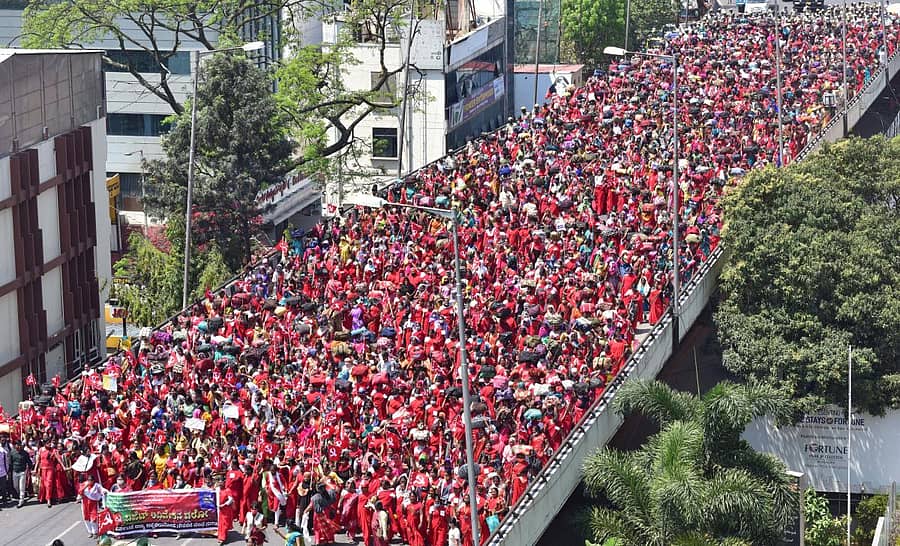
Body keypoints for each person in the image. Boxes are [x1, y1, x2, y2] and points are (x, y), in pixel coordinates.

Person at [77, 473, 107, 538]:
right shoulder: (84, 484)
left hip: (93, 504)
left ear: (93, 480)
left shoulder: (97, 486)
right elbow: (80, 491)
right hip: (85, 504)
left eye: (91, 480)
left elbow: (102, 490)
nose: (89, 481)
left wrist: (104, 492)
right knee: (86, 518)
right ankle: (90, 532)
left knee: (93, 518)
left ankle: (95, 532)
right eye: (88, 480)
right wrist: (86, 486)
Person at [10, 439, 31, 508]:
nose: (18, 446)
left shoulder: (25, 453)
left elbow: (29, 462)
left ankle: (21, 500)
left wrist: (31, 469)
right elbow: (10, 463)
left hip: (22, 471)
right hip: (15, 471)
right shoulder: (12, 452)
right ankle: (21, 495)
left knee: (21, 486)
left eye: (19, 445)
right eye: (16, 445)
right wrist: (9, 471)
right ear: (14, 445)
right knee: (16, 486)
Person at [217, 476, 237, 546]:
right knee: (220, 524)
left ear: (224, 482)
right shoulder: (217, 489)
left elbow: (230, 499)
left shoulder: (227, 490)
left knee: (225, 524)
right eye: (219, 482)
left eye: (221, 482)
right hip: (219, 509)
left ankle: (222, 538)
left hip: (226, 509)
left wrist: (224, 504)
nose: (220, 483)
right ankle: (221, 537)